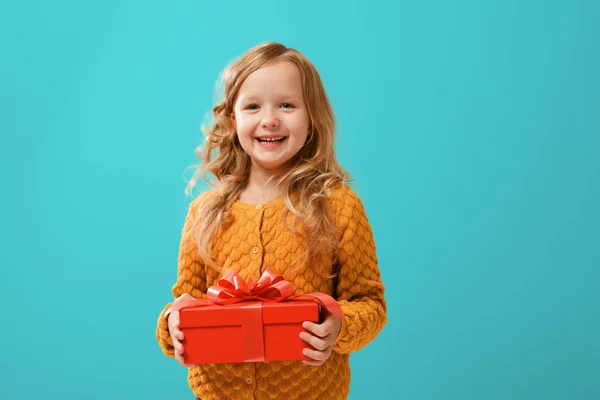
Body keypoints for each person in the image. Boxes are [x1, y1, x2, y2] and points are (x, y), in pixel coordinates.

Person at [156, 41, 387, 400]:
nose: (270, 119)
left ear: (312, 117)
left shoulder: (338, 205)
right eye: (252, 106)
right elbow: (185, 300)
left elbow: (370, 303)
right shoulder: (205, 212)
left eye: (287, 105)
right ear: (233, 121)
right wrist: (171, 325)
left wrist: (338, 324)